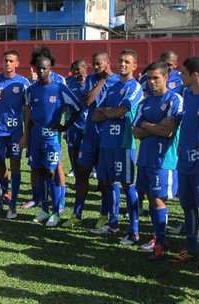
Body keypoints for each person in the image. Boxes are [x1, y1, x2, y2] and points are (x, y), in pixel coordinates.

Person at [21, 56, 83, 227]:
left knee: (52, 172)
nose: (41, 71)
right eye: (39, 68)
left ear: (50, 69)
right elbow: (28, 111)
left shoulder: (60, 88)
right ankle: (45, 210)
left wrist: (65, 126)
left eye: (45, 68)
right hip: (36, 138)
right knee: (40, 171)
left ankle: (56, 213)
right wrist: (27, 133)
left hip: (52, 139)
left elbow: (77, 108)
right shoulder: (31, 90)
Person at [89, 49, 142, 245]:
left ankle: (134, 230)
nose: (123, 64)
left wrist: (109, 112)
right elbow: (95, 114)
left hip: (123, 144)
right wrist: (112, 113)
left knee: (128, 184)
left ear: (134, 66)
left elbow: (123, 110)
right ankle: (113, 223)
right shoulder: (111, 88)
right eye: (121, 60)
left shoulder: (134, 87)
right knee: (109, 182)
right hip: (106, 143)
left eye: (127, 62)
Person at [62, 51, 120, 228]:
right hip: (90, 136)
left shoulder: (118, 81)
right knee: (81, 174)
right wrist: (101, 81)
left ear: (108, 63)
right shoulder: (92, 79)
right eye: (94, 64)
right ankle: (77, 214)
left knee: (104, 180)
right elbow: (86, 101)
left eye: (99, 63)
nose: (96, 67)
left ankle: (104, 215)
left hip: (108, 138)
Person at [133, 61, 183, 260]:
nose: (152, 82)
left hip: (164, 159)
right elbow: (135, 131)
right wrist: (153, 125)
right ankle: (158, 237)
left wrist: (147, 126)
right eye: (149, 78)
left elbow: (168, 131)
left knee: (158, 199)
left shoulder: (174, 99)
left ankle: (161, 244)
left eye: (156, 78)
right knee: (150, 197)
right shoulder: (144, 103)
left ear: (165, 78)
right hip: (145, 157)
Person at [168, 56, 199, 273]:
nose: (179, 76)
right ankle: (190, 249)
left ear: (195, 75)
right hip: (185, 162)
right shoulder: (186, 94)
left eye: (183, 73)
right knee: (188, 204)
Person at [0, 49, 30, 218]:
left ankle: (13, 205)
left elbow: (27, 110)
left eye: (11, 61)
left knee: (15, 166)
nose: (7, 63)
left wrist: (25, 134)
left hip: (15, 132)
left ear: (17, 63)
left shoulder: (23, 83)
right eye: (5, 60)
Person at [65, 59, 89, 178]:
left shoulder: (92, 81)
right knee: (73, 147)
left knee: (90, 146)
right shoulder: (68, 82)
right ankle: (74, 169)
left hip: (89, 121)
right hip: (73, 121)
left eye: (78, 69)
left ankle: (94, 169)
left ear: (85, 69)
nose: (75, 72)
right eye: (73, 69)